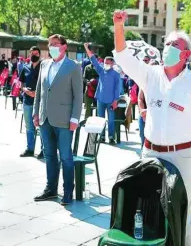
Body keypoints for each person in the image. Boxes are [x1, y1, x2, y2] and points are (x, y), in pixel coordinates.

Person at [113, 10, 191, 246]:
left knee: (182, 209)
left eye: (174, 45)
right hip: (150, 153)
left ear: (186, 54)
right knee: (149, 205)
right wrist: (119, 27)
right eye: (166, 43)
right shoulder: (151, 75)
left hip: (181, 155)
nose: (167, 47)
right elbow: (123, 57)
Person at [33, 34, 83, 205]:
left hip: (64, 119)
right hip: (45, 117)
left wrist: (75, 118)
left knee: (66, 157)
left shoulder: (73, 67)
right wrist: (35, 113)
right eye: (49, 44)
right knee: (49, 155)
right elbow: (39, 91)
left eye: (55, 44)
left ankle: (68, 191)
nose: (51, 47)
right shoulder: (45, 64)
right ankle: (50, 189)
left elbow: (78, 96)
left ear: (64, 47)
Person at [84, 43, 120, 144]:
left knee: (111, 120)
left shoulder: (116, 74)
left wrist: (116, 100)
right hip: (100, 99)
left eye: (108, 63)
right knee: (100, 119)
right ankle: (102, 136)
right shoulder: (101, 70)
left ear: (112, 64)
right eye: (105, 62)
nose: (106, 64)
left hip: (111, 101)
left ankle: (111, 137)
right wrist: (87, 48)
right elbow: (93, 60)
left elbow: (117, 88)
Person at [19, 46, 44, 159]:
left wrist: (36, 93)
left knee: (42, 126)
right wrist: (24, 90)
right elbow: (21, 83)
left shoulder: (44, 67)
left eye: (36, 53)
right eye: (32, 53)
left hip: (40, 101)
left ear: (40, 54)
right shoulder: (25, 67)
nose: (34, 55)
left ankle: (44, 150)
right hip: (27, 101)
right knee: (29, 126)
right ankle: (30, 149)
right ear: (29, 54)